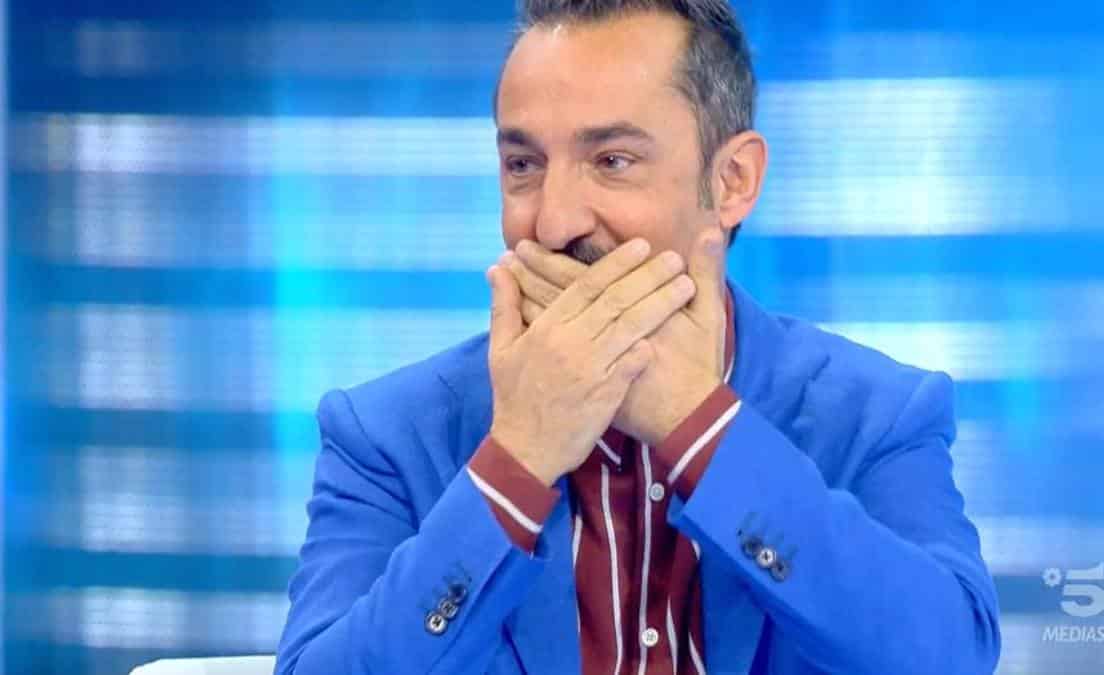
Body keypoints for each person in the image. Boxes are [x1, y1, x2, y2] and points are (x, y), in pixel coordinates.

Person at [275, 1, 1002, 673]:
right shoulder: (386, 434)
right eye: (524, 165)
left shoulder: (875, 414)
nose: (553, 223)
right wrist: (517, 462)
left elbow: (950, 657)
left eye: (612, 161)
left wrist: (700, 427)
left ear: (732, 181)